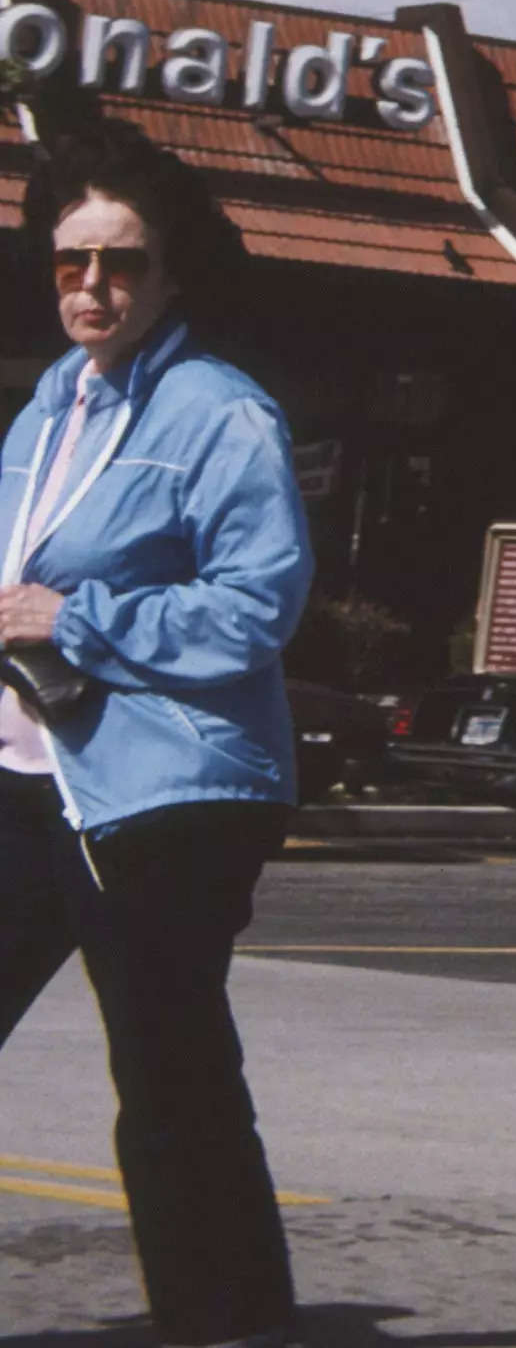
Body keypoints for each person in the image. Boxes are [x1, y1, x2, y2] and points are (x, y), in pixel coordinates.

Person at [0, 148, 308, 1346]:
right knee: (170, 1065)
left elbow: (255, 609)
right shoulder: (46, 404)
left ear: (170, 272)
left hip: (168, 790)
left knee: (169, 1071)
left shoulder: (221, 409)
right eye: (70, 260)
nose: (91, 285)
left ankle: (226, 1319)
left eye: (120, 262)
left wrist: (80, 618)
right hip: (35, 772)